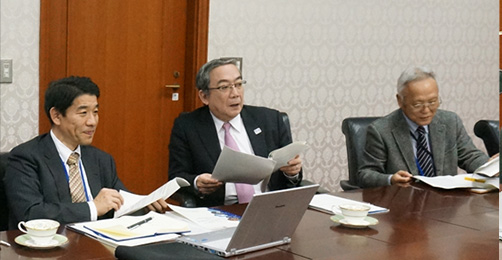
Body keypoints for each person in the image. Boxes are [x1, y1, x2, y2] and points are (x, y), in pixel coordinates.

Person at [4, 76, 167, 228]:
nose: (92, 122)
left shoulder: (101, 159)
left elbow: (119, 201)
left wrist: (143, 204)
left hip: (99, 245)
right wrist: (93, 208)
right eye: (83, 113)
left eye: (95, 112)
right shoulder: (26, 157)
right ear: (56, 116)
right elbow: (30, 213)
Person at [168, 58, 302, 207]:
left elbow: (292, 178)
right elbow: (176, 177)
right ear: (204, 97)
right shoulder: (188, 126)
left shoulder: (270, 120)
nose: (235, 94)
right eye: (224, 87)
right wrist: (196, 182)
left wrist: (293, 172)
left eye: (238, 85)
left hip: (269, 207)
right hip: (219, 210)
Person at [357, 66, 490, 188]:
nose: (426, 110)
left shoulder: (450, 122)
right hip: (403, 203)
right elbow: (366, 174)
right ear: (400, 101)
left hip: (445, 203)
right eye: (417, 104)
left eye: (432, 102)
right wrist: (391, 179)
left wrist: (491, 167)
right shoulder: (381, 130)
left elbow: (470, 156)